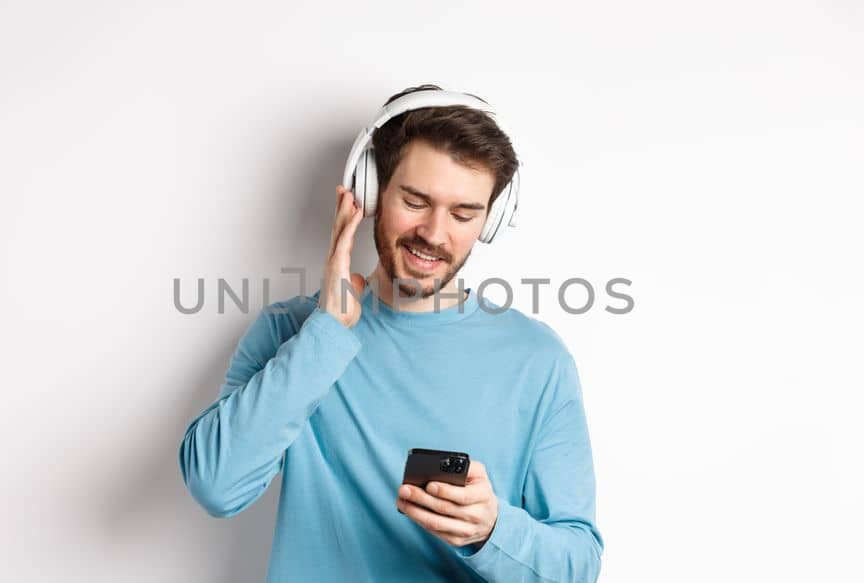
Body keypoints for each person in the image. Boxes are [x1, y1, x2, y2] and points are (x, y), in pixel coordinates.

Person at [178, 84, 602, 582]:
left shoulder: (538, 359)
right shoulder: (291, 332)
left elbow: (578, 566)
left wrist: (491, 529)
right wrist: (328, 329)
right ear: (371, 191)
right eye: (416, 200)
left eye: (464, 214)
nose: (435, 233)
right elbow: (216, 485)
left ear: (491, 220)